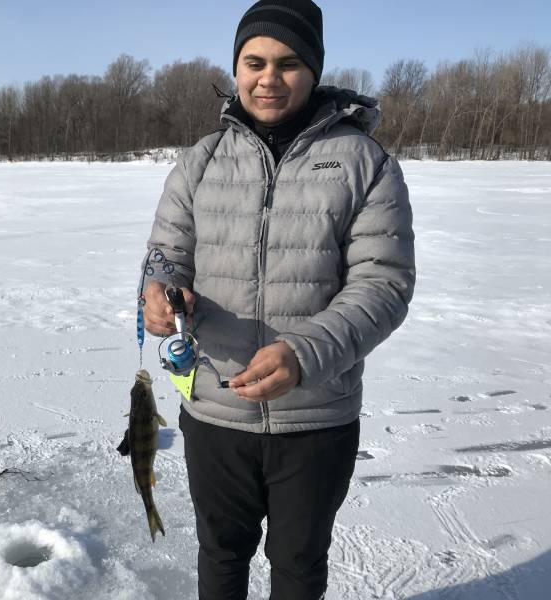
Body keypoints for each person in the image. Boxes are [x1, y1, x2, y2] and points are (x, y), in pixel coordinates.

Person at [140, 1, 416, 598]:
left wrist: (305, 352)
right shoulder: (201, 161)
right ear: (236, 68)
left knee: (298, 565)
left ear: (314, 70)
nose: (269, 77)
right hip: (214, 411)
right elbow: (164, 256)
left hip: (316, 416)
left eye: (288, 63)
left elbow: (384, 282)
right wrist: (157, 295)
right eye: (254, 61)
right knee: (220, 555)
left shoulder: (364, 163)